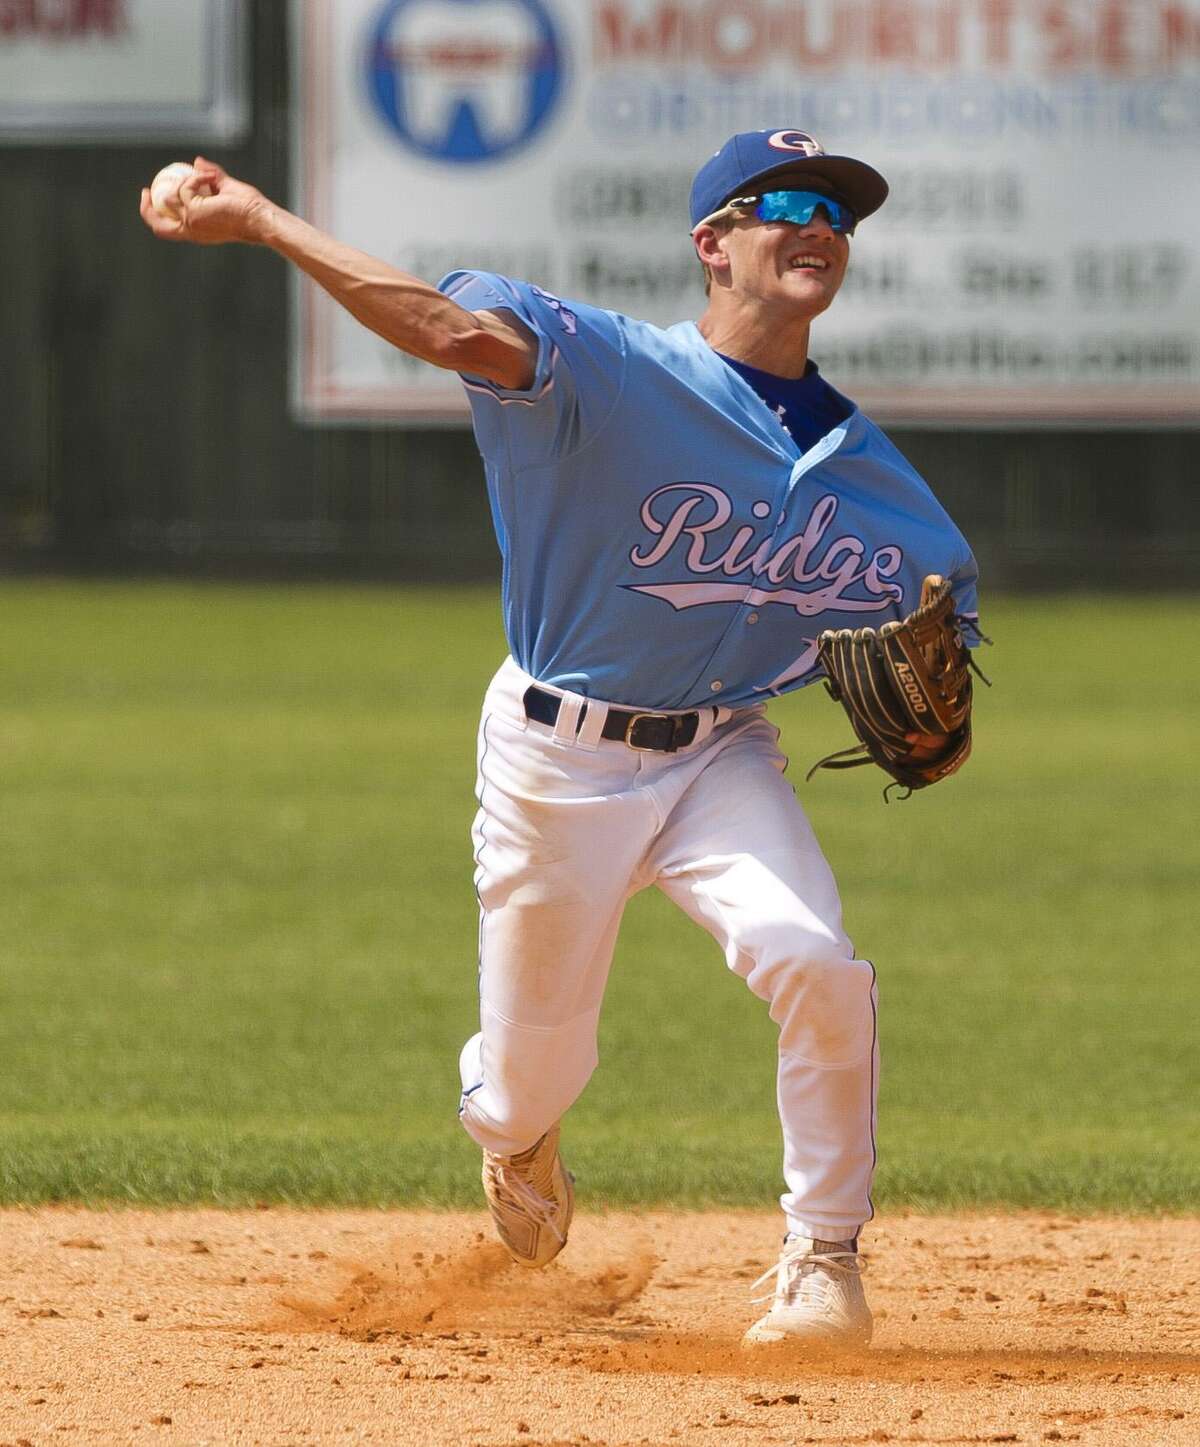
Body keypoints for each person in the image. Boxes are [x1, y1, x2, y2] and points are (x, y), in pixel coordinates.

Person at [140, 129, 978, 1348]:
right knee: (528, 1083)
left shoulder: (876, 479)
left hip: (718, 755)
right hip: (555, 758)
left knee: (815, 961)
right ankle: (514, 1133)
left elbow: (945, 613)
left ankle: (823, 1257)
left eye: (837, 215)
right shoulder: (607, 366)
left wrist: (947, 710)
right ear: (713, 243)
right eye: (787, 204)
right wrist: (262, 219)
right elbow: (444, 331)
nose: (819, 229)